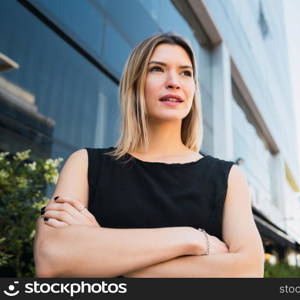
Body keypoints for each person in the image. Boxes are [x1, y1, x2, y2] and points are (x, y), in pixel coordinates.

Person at [33, 32, 264, 278]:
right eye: (157, 69)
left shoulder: (227, 177)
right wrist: (193, 239)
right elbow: (52, 258)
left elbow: (248, 273)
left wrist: (101, 249)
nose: (174, 81)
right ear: (135, 82)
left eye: (186, 72)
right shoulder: (85, 164)